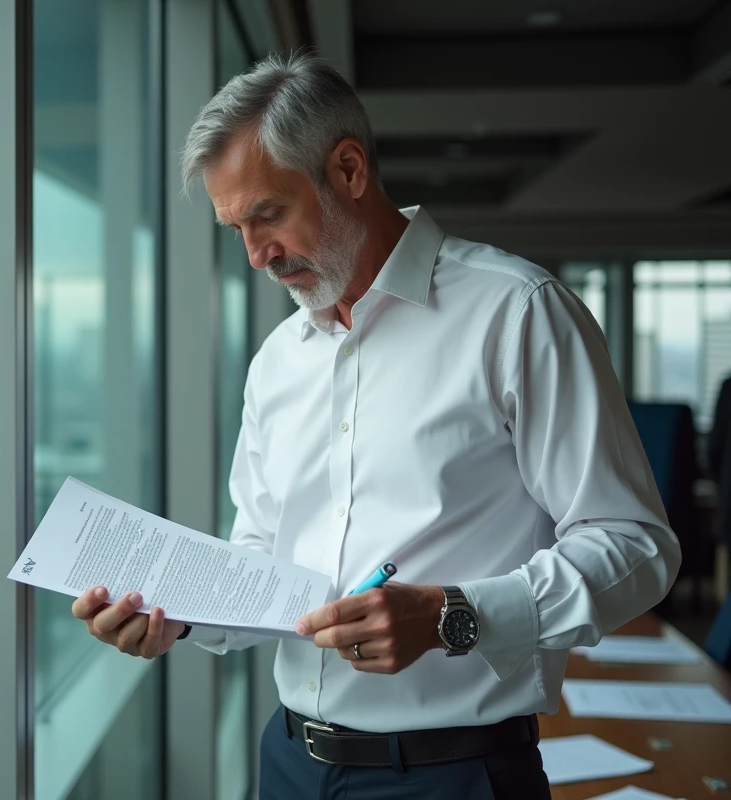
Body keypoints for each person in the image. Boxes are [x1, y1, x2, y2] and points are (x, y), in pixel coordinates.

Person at [71, 52, 680, 799]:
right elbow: (262, 559)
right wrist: (179, 619)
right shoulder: (276, 362)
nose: (257, 255)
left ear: (350, 171)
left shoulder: (516, 313)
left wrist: (454, 615)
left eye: (268, 215)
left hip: (454, 775)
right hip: (288, 763)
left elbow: (637, 547)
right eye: (236, 228)